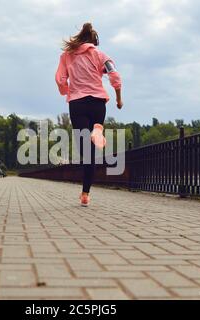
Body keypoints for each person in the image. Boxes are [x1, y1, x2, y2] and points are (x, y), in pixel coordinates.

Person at [55, 22, 123, 207]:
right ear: (93, 41)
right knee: (94, 142)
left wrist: (68, 90)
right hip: (98, 103)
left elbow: (60, 79)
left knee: (87, 153)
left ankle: (85, 195)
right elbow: (114, 75)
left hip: (77, 104)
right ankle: (98, 128)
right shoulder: (100, 55)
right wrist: (118, 99)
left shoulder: (66, 56)